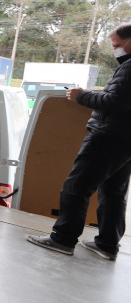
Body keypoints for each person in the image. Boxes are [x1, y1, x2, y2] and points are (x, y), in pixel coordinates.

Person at [27, 24, 131, 261]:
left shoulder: (129, 68)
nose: (115, 49)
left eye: (117, 45)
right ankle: (107, 244)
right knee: (113, 192)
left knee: (76, 188)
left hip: (109, 136)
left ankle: (63, 239)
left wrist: (81, 96)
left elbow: (117, 102)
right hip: (125, 140)